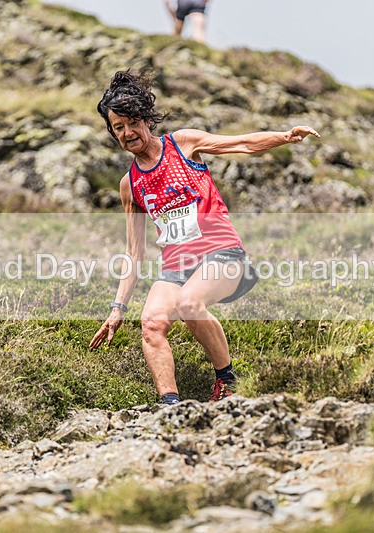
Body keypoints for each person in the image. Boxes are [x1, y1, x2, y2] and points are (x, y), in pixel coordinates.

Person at [89, 70, 320, 405]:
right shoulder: (129, 184)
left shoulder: (181, 144)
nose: (127, 133)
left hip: (223, 256)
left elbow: (240, 143)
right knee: (151, 322)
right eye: (118, 128)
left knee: (188, 303)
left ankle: (227, 381)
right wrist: (117, 307)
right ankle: (171, 407)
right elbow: (134, 253)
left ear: (146, 120)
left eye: (131, 123)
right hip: (177, 268)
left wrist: (285, 136)